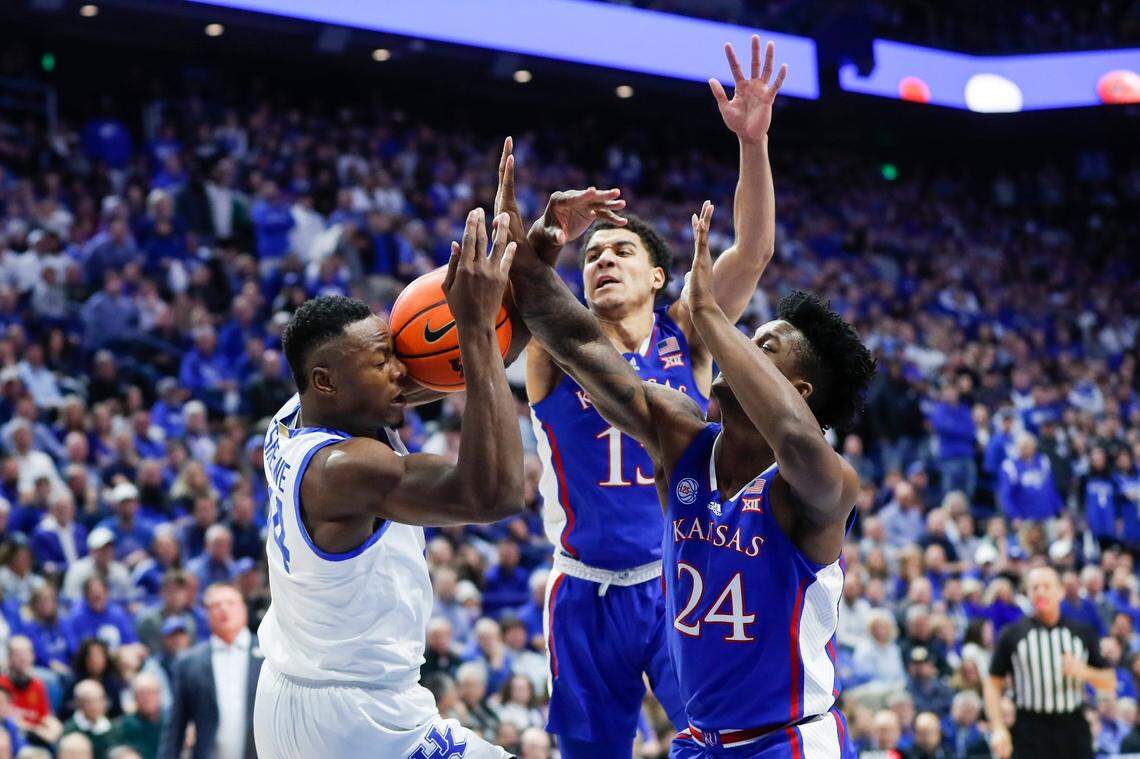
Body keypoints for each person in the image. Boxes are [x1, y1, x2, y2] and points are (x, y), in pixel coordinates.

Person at [497, 36, 787, 758]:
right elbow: (520, 286)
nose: (602, 260)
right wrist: (546, 234)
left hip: (677, 582)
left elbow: (751, 248)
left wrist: (753, 143)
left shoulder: (687, 332)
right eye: (593, 254)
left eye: (620, 250)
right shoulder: (555, 350)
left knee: (722, 736)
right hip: (584, 594)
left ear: (661, 277)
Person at [508, 186, 873, 752]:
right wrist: (532, 243)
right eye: (747, 339)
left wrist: (707, 312)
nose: (741, 349)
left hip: (787, 740)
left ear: (796, 391)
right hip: (694, 732)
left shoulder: (825, 483)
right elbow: (571, 337)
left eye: (763, 348)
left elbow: (797, 435)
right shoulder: (682, 440)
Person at [251, 209, 524, 758]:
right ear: (327, 381)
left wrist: (523, 272)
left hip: (287, 695)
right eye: (382, 361)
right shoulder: (345, 469)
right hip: (360, 719)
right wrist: (473, 328)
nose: (401, 371)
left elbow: (449, 370)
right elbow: (493, 495)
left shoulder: (293, 417)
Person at [984, 566, 1117, 759]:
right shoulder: (1012, 634)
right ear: (1027, 593)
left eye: (1046, 586)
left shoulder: (1081, 633)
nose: (1040, 592)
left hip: (1072, 726)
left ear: (1060, 591)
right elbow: (992, 684)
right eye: (1034, 587)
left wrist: (1084, 671)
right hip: (1029, 727)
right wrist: (998, 727)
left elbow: (1109, 681)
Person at [158, 583, 261, 759]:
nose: (224, 609)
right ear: (206, 614)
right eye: (216, 605)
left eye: (230, 602)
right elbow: (175, 728)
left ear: (244, 608)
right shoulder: (189, 663)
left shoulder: (269, 655)